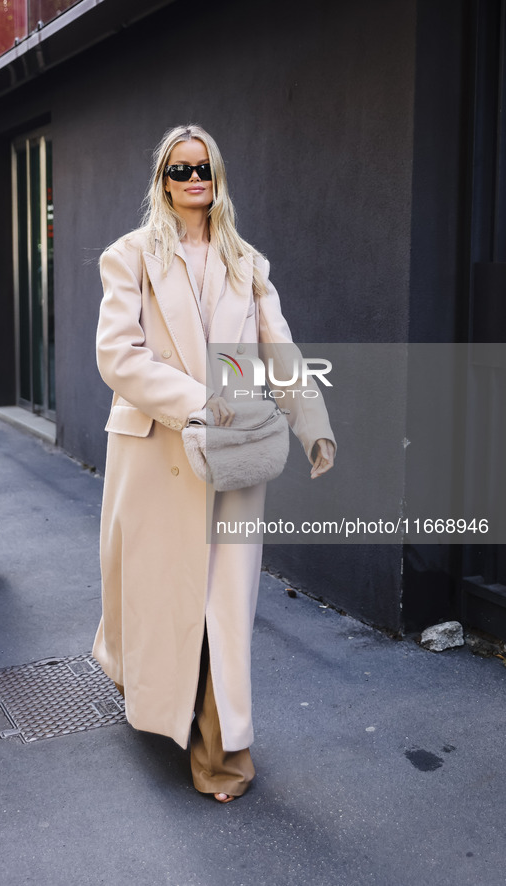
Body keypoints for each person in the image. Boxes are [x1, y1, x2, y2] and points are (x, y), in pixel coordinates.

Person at [92, 124, 336, 803]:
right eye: (179, 168)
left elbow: (279, 352)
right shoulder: (130, 256)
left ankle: (222, 753)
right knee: (155, 596)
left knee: (223, 608)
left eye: (202, 167)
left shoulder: (246, 263)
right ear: (162, 180)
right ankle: (147, 691)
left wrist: (310, 423)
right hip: (153, 452)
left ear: (217, 175)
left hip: (230, 457)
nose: (192, 177)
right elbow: (118, 356)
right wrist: (201, 401)